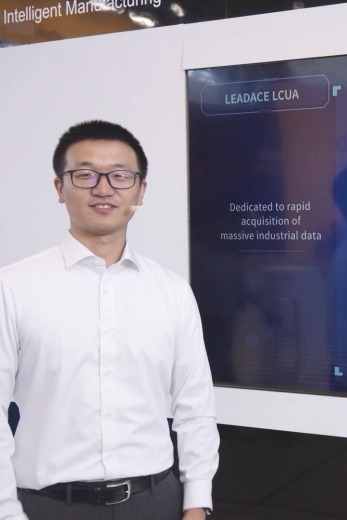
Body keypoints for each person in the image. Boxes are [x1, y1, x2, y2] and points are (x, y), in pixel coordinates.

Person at [0, 120, 220, 519]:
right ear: (59, 187)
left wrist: (197, 503)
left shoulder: (171, 290)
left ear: (141, 190)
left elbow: (195, 407)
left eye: (120, 176)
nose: (103, 189)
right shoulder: (12, 287)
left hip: (156, 501)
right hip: (47, 506)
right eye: (85, 175)